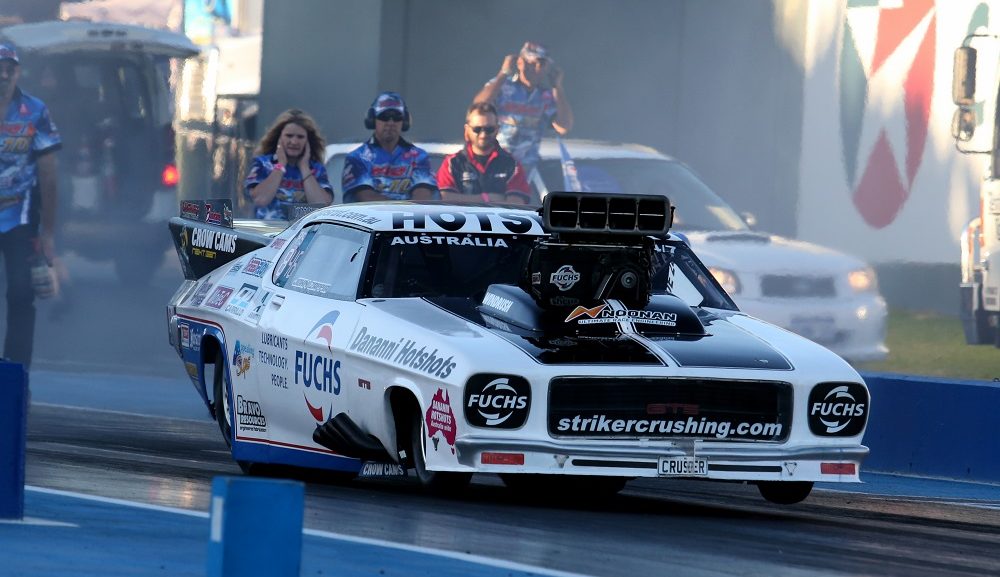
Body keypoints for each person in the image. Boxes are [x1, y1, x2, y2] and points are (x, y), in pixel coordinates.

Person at [0, 44, 61, 368]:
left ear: (18, 71)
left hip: (18, 222)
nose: (4, 73)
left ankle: (14, 375)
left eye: (10, 66)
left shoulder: (35, 111)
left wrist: (47, 234)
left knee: (22, 295)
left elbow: (49, 176)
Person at [473, 41, 574, 177]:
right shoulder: (503, 86)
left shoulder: (546, 95)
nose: (537, 68)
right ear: (520, 63)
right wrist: (503, 73)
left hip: (526, 169)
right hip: (495, 163)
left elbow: (564, 127)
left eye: (542, 64)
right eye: (533, 62)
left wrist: (558, 88)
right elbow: (478, 107)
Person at [342, 91, 438, 203]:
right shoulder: (357, 158)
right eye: (384, 116)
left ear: (405, 121)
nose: (391, 122)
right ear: (372, 120)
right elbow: (366, 198)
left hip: (409, 219)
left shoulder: (419, 157)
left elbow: (423, 197)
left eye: (397, 117)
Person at [245, 109, 333, 220]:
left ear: (308, 141)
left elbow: (322, 205)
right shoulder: (262, 163)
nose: (294, 142)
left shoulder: (317, 169)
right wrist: (281, 165)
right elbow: (260, 199)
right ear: (279, 137)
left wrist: (304, 167)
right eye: (289, 136)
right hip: (266, 233)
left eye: (300, 137)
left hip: (301, 234)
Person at [436, 102, 531, 205]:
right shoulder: (452, 163)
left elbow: (517, 202)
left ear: (497, 130)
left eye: (489, 129)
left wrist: (465, 199)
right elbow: (444, 198)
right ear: (467, 130)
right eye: (477, 129)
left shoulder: (512, 164)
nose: (483, 134)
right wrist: (487, 198)